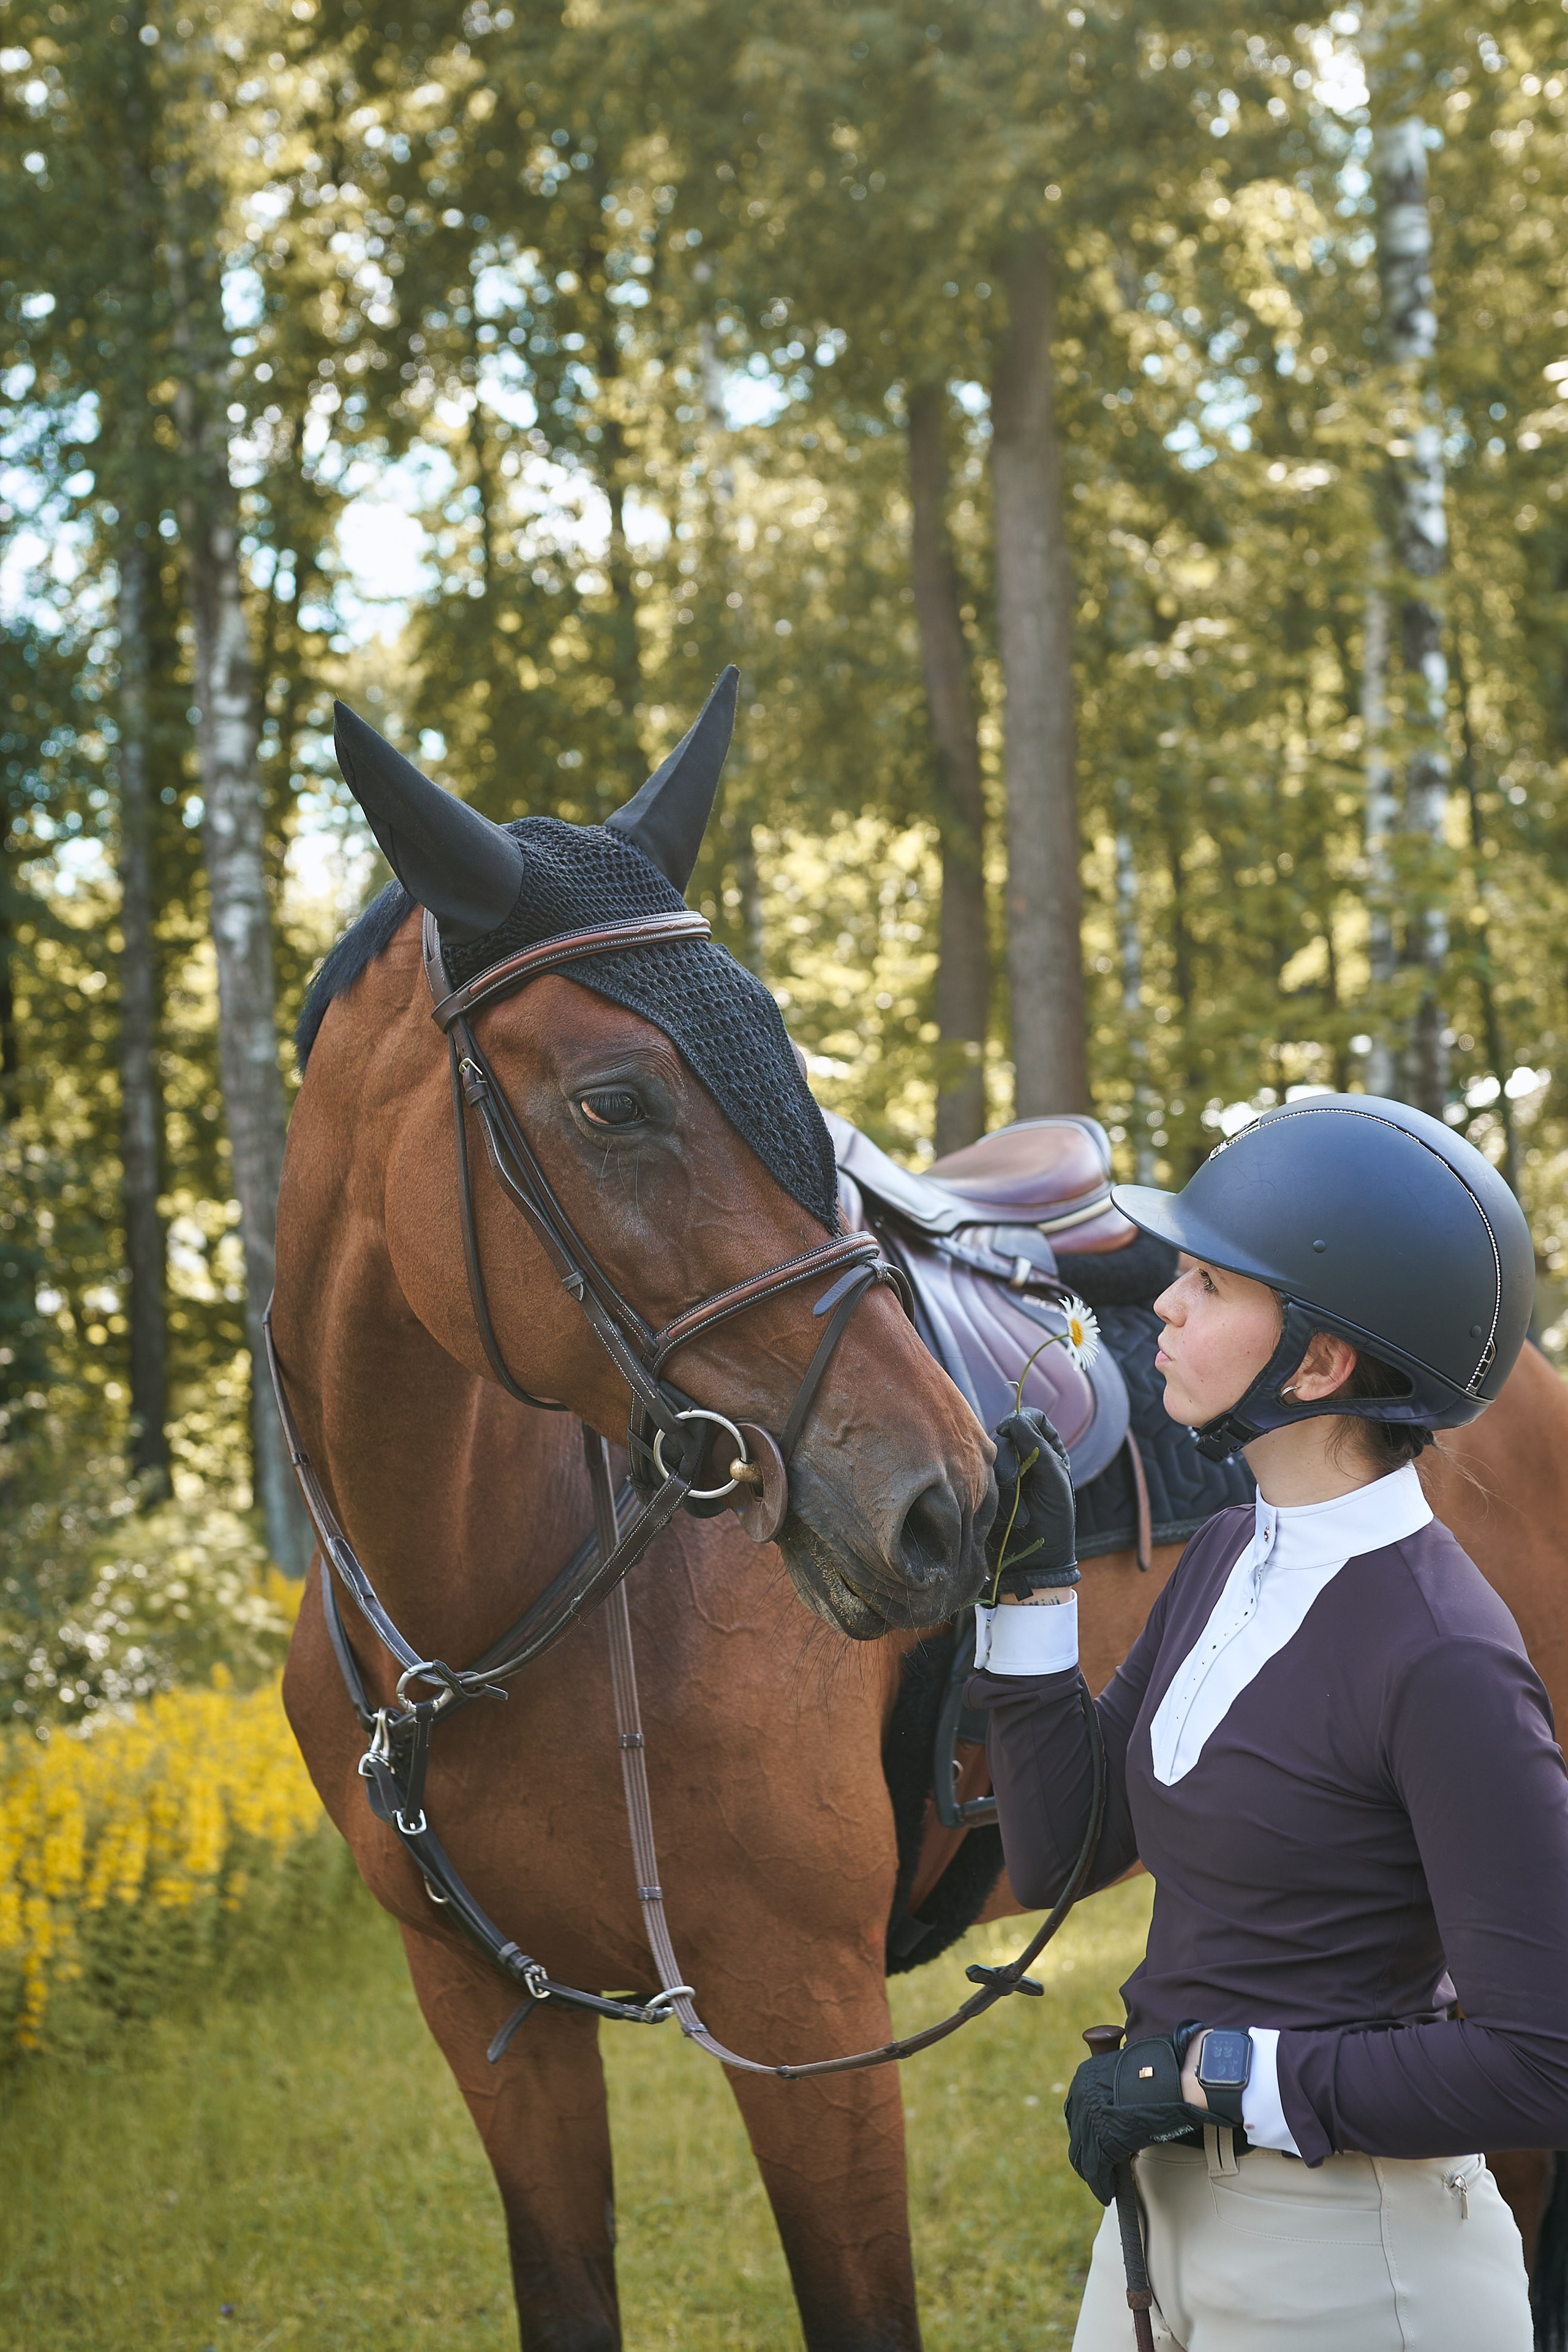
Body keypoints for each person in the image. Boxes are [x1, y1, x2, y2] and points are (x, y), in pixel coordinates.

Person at [968, 1093, 1568, 2351]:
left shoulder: (1445, 1658)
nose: (1160, 1312)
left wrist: (1218, 2077)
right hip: (1154, 2231)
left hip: (1356, 2266)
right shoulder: (1230, 1550)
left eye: (1202, 1284)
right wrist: (1024, 1594)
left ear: (1314, 1363)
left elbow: (1540, 2059)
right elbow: (1059, 1848)